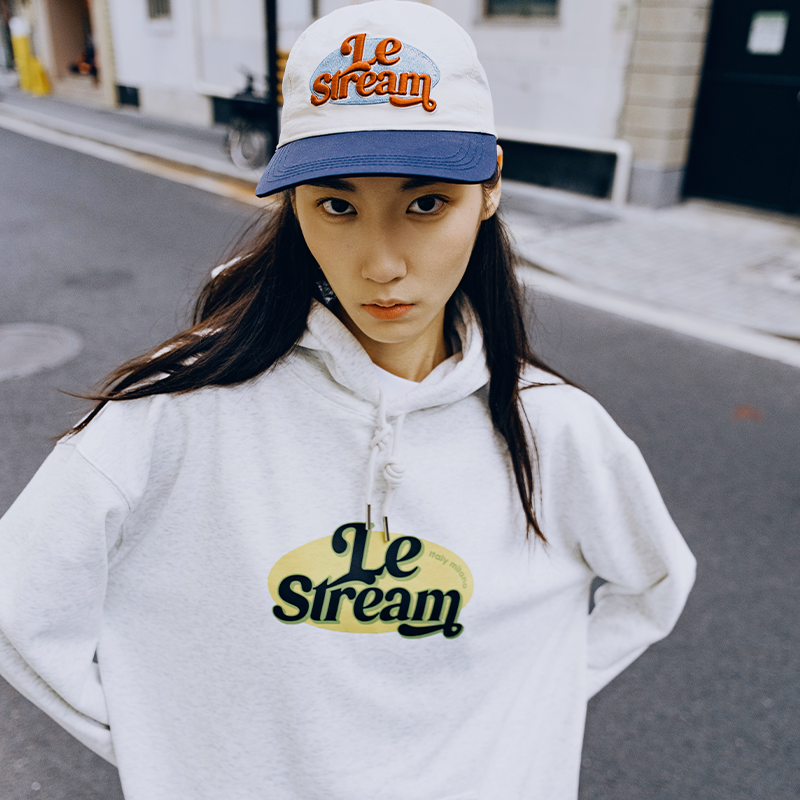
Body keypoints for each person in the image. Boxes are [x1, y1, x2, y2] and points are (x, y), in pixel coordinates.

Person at [0, 3, 696, 799]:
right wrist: (190, 754)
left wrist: (518, 717)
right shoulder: (177, 412)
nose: (382, 263)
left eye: (427, 203)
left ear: (491, 187)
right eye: (337, 206)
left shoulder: (554, 428)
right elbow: (20, 606)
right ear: (294, 205)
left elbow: (654, 584)